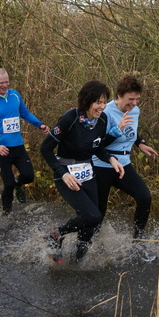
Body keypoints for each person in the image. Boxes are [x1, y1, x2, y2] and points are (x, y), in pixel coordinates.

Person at [40, 80, 125, 262]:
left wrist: (111, 159)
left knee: (92, 223)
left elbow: (98, 147)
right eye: (98, 102)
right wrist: (63, 173)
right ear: (87, 101)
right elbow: (45, 149)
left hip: (87, 172)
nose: (102, 107)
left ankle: (77, 262)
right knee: (91, 215)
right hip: (66, 174)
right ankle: (55, 235)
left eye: (104, 102)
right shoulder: (70, 119)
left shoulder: (102, 120)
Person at [93, 75, 158, 239]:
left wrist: (141, 143)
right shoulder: (105, 113)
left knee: (144, 197)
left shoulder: (135, 110)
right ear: (119, 96)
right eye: (131, 99)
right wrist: (118, 129)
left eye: (137, 99)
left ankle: (137, 241)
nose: (134, 103)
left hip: (123, 164)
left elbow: (132, 131)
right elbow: (97, 144)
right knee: (98, 213)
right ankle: (84, 247)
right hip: (102, 165)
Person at [0, 68, 49, 215]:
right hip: (1, 149)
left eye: (7, 82)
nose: (5, 85)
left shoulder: (15, 95)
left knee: (29, 176)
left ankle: (19, 185)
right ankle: (7, 213)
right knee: (8, 184)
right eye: (1, 83)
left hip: (18, 146)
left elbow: (24, 113)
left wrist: (39, 124)